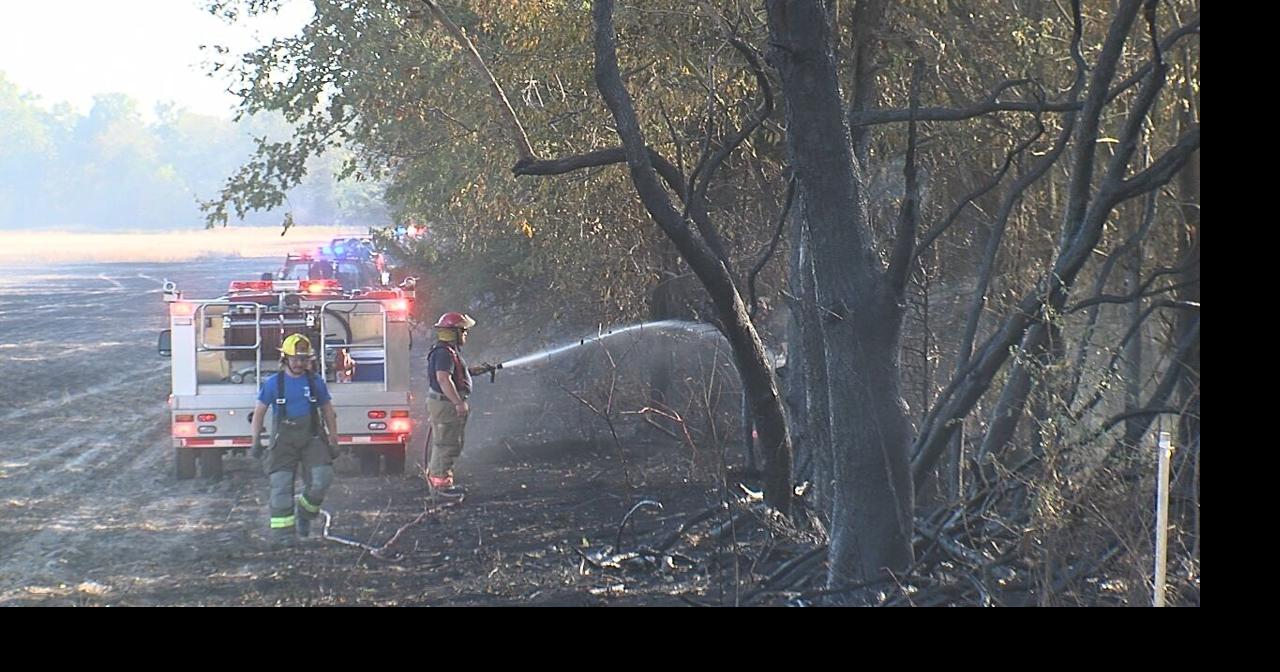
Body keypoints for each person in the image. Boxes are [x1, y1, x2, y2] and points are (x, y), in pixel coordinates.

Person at [250, 334, 339, 547]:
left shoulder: (315, 382)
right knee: (280, 486)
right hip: (283, 440)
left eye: (304, 359)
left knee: (322, 478)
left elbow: (328, 411)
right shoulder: (273, 384)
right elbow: (259, 413)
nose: (300, 364)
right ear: (285, 359)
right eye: (296, 359)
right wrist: (255, 440)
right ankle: (283, 535)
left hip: (312, 437)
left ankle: (305, 514)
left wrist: (334, 439)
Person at [425, 312, 490, 498]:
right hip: (446, 405)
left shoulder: (446, 351)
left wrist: (472, 372)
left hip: (444, 404)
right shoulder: (444, 353)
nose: (466, 335)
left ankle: (440, 482)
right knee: (446, 444)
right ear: (454, 332)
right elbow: (443, 379)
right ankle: (440, 487)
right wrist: (458, 402)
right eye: (464, 331)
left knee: (447, 442)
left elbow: (452, 375)